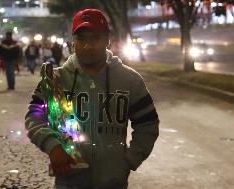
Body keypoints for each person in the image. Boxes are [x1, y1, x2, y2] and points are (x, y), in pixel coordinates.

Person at [25, 9, 159, 189]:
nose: (88, 46)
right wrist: (53, 146)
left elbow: (147, 124)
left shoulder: (130, 81)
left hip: (113, 182)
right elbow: (34, 116)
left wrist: (128, 161)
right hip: (69, 180)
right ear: (73, 42)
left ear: (107, 40)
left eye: (95, 38)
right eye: (82, 39)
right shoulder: (56, 79)